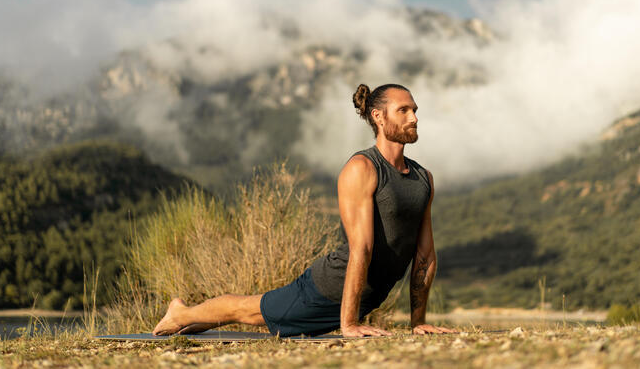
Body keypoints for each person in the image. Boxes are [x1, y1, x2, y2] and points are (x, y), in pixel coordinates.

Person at [152, 83, 454, 337]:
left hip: (366, 298)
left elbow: (425, 256)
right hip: (326, 289)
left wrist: (419, 322)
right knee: (250, 311)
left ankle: (188, 321)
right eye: (404, 110)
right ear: (378, 116)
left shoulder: (423, 178)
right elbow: (360, 248)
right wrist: (348, 324)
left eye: (414, 110)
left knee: (255, 315)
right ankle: (182, 313)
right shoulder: (362, 168)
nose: (414, 117)